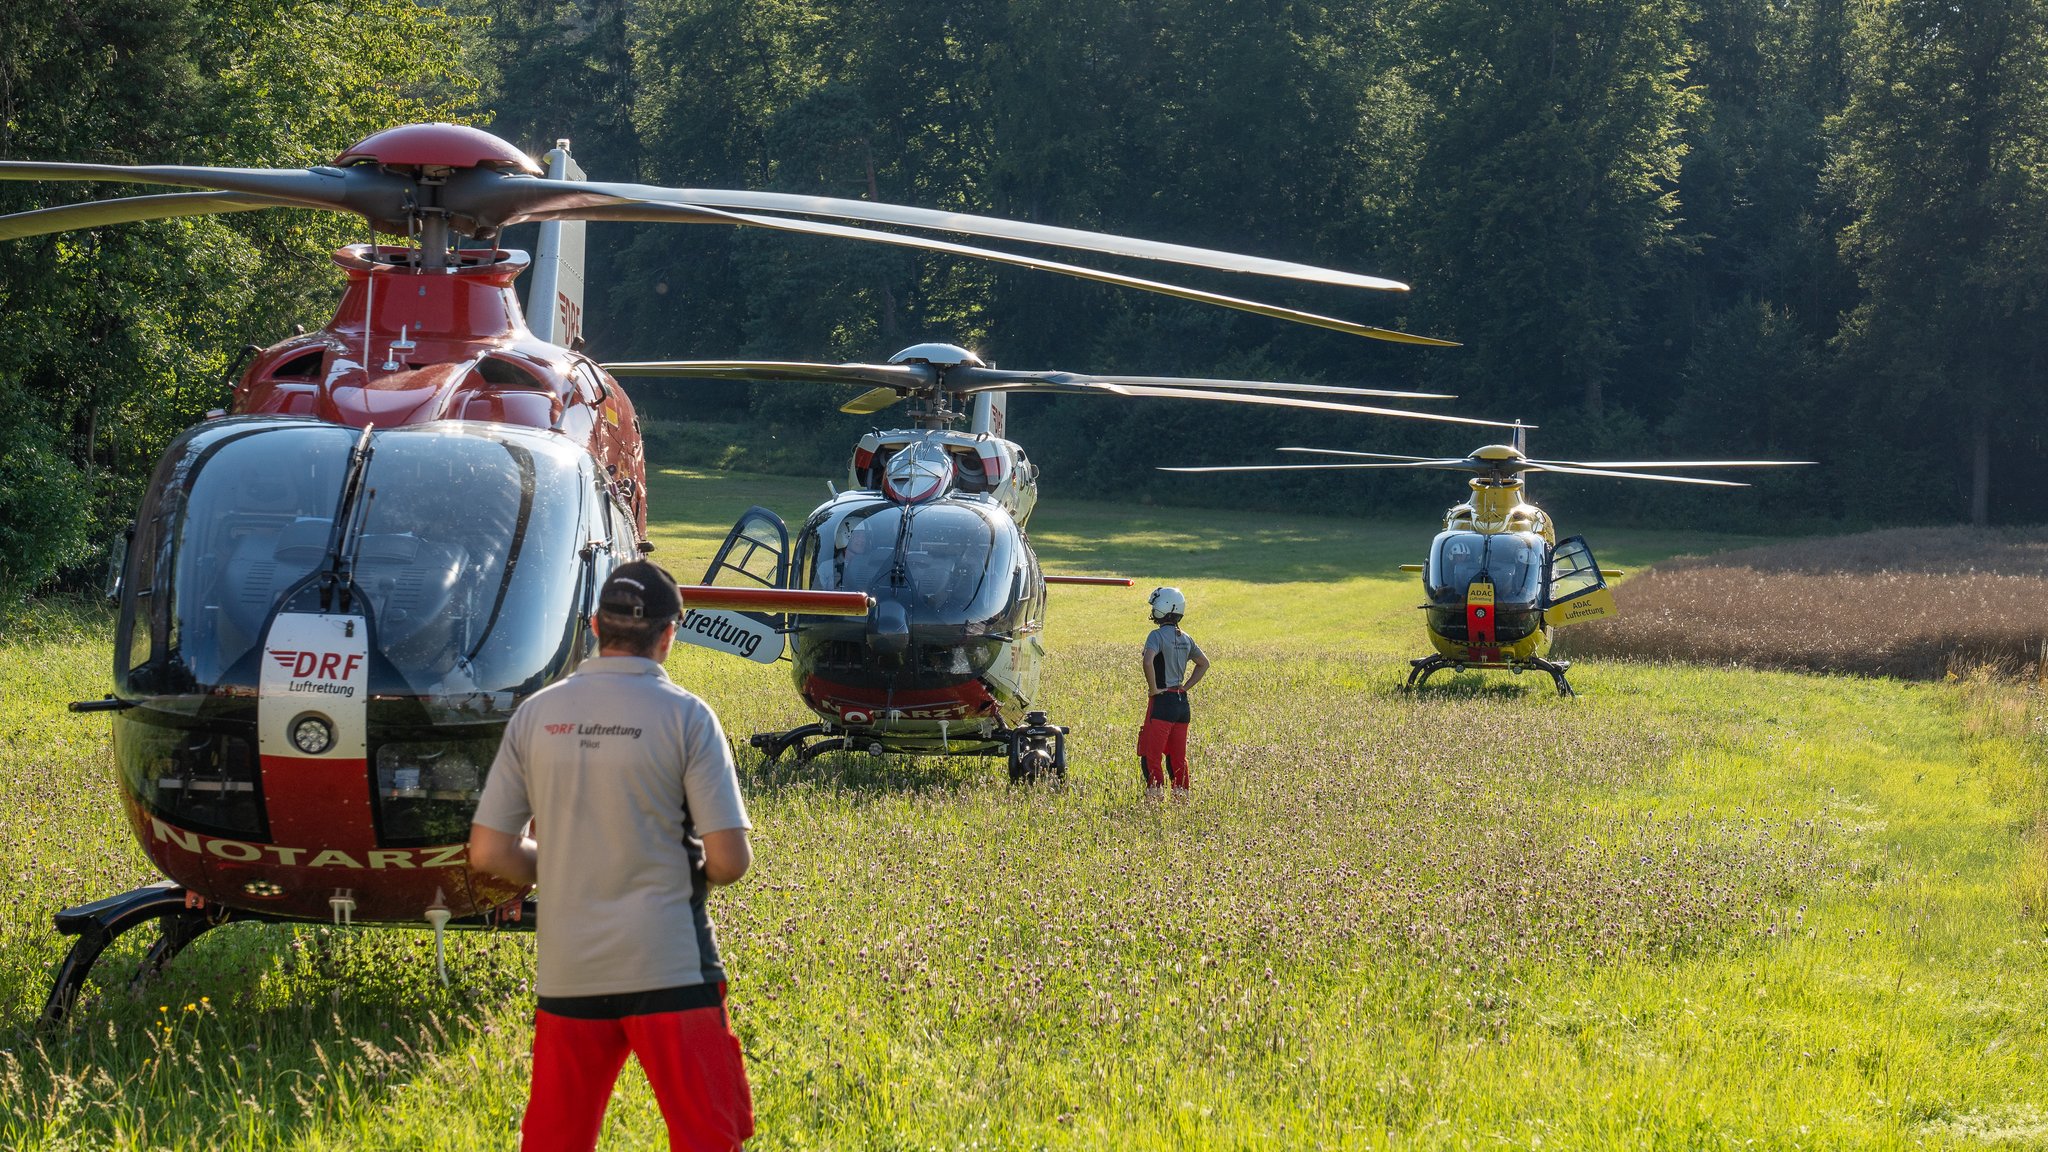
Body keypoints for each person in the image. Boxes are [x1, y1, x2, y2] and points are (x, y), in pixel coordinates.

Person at [468, 560, 755, 1152]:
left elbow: (489, 850)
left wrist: (571, 862)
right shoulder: (687, 718)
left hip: (571, 969)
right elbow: (729, 861)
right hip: (671, 964)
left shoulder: (536, 714)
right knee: (708, 1135)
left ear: (596, 626)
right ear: (670, 634)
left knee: (556, 1139)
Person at [1138, 586, 1210, 798]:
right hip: (1181, 705)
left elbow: (1148, 661)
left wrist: (1153, 689)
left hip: (1162, 703)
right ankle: (1181, 797)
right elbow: (1204, 663)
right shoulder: (1186, 638)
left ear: (1163, 608)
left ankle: (1155, 796)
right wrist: (1186, 687)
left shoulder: (1156, 636)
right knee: (1177, 757)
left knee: (1151, 755)